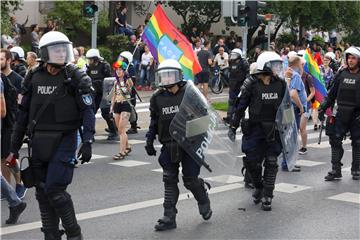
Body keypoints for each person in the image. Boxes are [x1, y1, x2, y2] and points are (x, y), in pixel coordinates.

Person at [5, 31, 95, 239]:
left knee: (55, 189)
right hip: (38, 141)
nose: (62, 53)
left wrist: (88, 140)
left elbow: (88, 111)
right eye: (56, 50)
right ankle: (51, 234)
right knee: (42, 192)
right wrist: (14, 148)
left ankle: (74, 234)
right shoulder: (33, 77)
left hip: (65, 139)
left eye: (64, 49)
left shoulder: (75, 77)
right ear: (46, 53)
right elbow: (22, 115)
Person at [145, 59, 212, 230]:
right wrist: (149, 139)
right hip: (169, 145)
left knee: (190, 180)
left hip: (190, 146)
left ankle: (203, 198)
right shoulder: (157, 98)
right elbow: (154, 121)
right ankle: (169, 217)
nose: (167, 79)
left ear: (179, 76)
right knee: (169, 179)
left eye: (170, 75)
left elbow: (204, 118)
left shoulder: (190, 93)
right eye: (164, 76)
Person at [228, 51, 287, 211]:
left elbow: (286, 108)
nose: (277, 68)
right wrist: (233, 126)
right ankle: (259, 186)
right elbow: (240, 106)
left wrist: (288, 128)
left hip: (273, 130)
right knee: (251, 162)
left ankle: (268, 195)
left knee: (271, 162)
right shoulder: (250, 84)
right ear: (265, 66)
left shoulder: (281, 84)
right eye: (274, 65)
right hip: (254, 129)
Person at [318, 46, 360, 181]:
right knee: (335, 140)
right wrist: (322, 107)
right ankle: (336, 170)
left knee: (358, 142)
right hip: (341, 113)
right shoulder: (341, 74)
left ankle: (356, 169)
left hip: (357, 115)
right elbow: (331, 93)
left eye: (354, 58)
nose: (350, 60)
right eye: (349, 58)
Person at [86, 48, 118, 140]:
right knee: (91, 112)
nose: (89, 61)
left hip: (104, 93)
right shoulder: (89, 67)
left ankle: (113, 130)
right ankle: (90, 132)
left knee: (106, 113)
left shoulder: (104, 66)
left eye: (91, 59)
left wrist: (96, 82)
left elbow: (109, 80)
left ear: (96, 59)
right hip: (94, 93)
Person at [111, 60, 133, 160]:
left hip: (125, 105)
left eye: (120, 70)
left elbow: (131, 86)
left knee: (122, 130)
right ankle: (127, 146)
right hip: (117, 105)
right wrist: (111, 107)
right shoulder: (116, 82)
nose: (118, 72)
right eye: (117, 70)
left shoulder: (127, 81)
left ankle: (121, 152)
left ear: (124, 71)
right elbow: (114, 96)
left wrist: (127, 76)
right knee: (119, 129)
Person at [224, 48, 249, 124]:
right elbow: (230, 72)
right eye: (232, 55)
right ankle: (229, 117)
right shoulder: (231, 62)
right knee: (231, 102)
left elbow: (248, 73)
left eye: (235, 55)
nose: (233, 56)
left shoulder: (244, 62)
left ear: (239, 55)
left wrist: (245, 84)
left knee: (240, 103)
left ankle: (240, 118)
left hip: (240, 86)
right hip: (232, 85)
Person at [118, 51, 140, 134]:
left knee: (130, 110)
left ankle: (134, 126)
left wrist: (127, 75)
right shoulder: (121, 67)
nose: (119, 59)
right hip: (121, 92)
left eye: (122, 58)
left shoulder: (131, 68)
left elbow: (132, 82)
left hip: (130, 93)